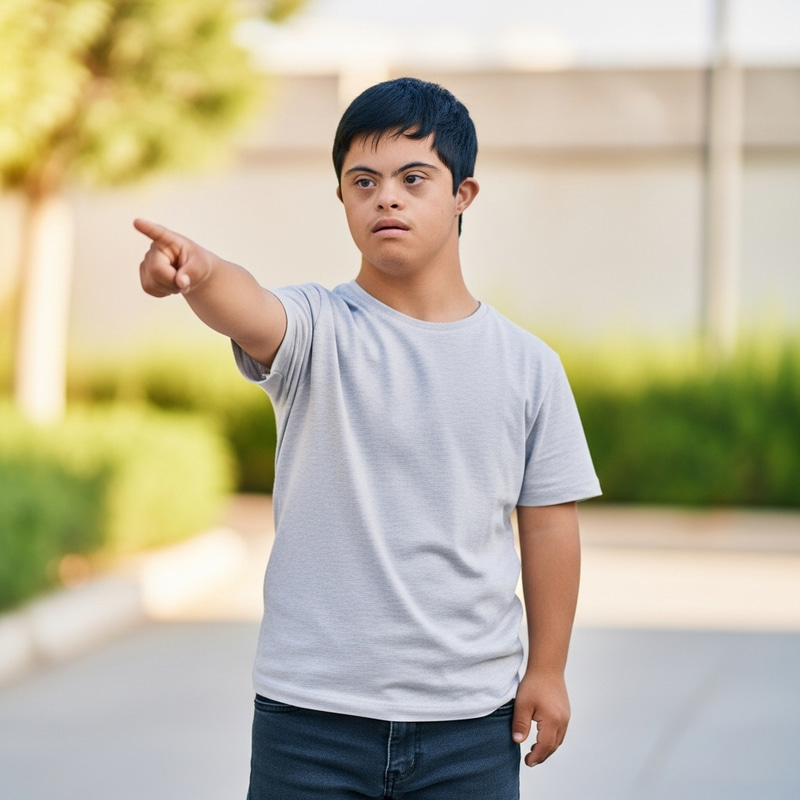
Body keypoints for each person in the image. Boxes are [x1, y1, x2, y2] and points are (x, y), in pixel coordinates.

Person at [136, 77, 601, 800]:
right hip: (310, 721)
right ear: (344, 201)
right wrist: (199, 274)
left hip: (470, 724)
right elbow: (248, 305)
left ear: (462, 196)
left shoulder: (527, 365)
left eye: (414, 178)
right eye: (364, 181)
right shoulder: (317, 330)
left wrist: (548, 669)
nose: (387, 197)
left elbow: (547, 525)